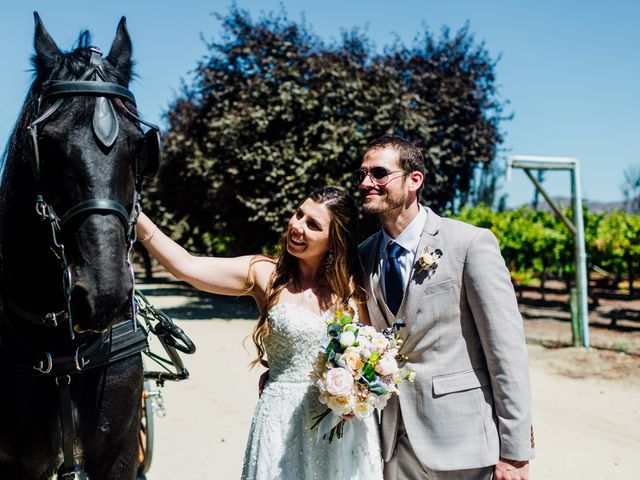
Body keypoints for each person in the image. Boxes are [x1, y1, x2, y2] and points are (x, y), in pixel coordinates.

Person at [136, 187, 383, 480]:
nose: (297, 226)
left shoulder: (350, 291)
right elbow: (186, 266)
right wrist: (135, 216)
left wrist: (359, 393)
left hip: (340, 428)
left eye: (313, 225)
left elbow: (371, 357)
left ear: (334, 241)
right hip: (279, 420)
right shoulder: (265, 274)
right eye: (299, 214)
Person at [356, 135, 535, 480]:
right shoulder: (363, 256)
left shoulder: (469, 244)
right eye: (362, 175)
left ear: (414, 180)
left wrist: (515, 453)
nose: (366, 183)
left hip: (465, 443)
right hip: (393, 444)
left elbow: (506, 352)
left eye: (379, 173)